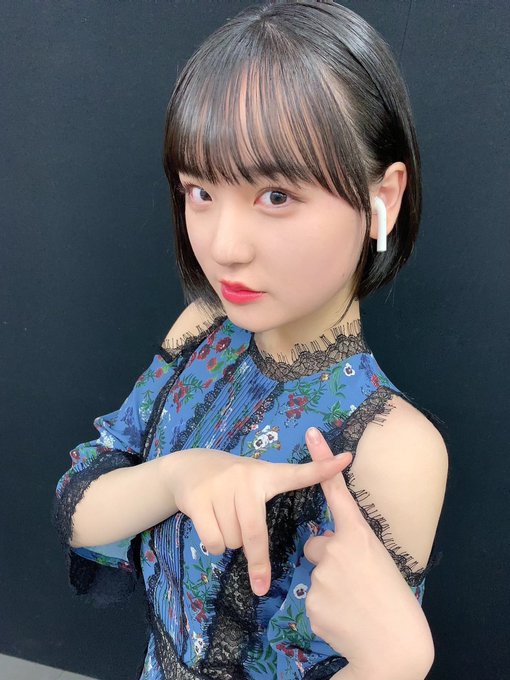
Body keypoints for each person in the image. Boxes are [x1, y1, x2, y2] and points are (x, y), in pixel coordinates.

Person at [52, 1, 449, 678]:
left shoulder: (391, 448)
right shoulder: (202, 330)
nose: (223, 248)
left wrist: (395, 663)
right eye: (200, 191)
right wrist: (180, 475)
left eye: (275, 196)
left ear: (382, 199)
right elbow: (80, 508)